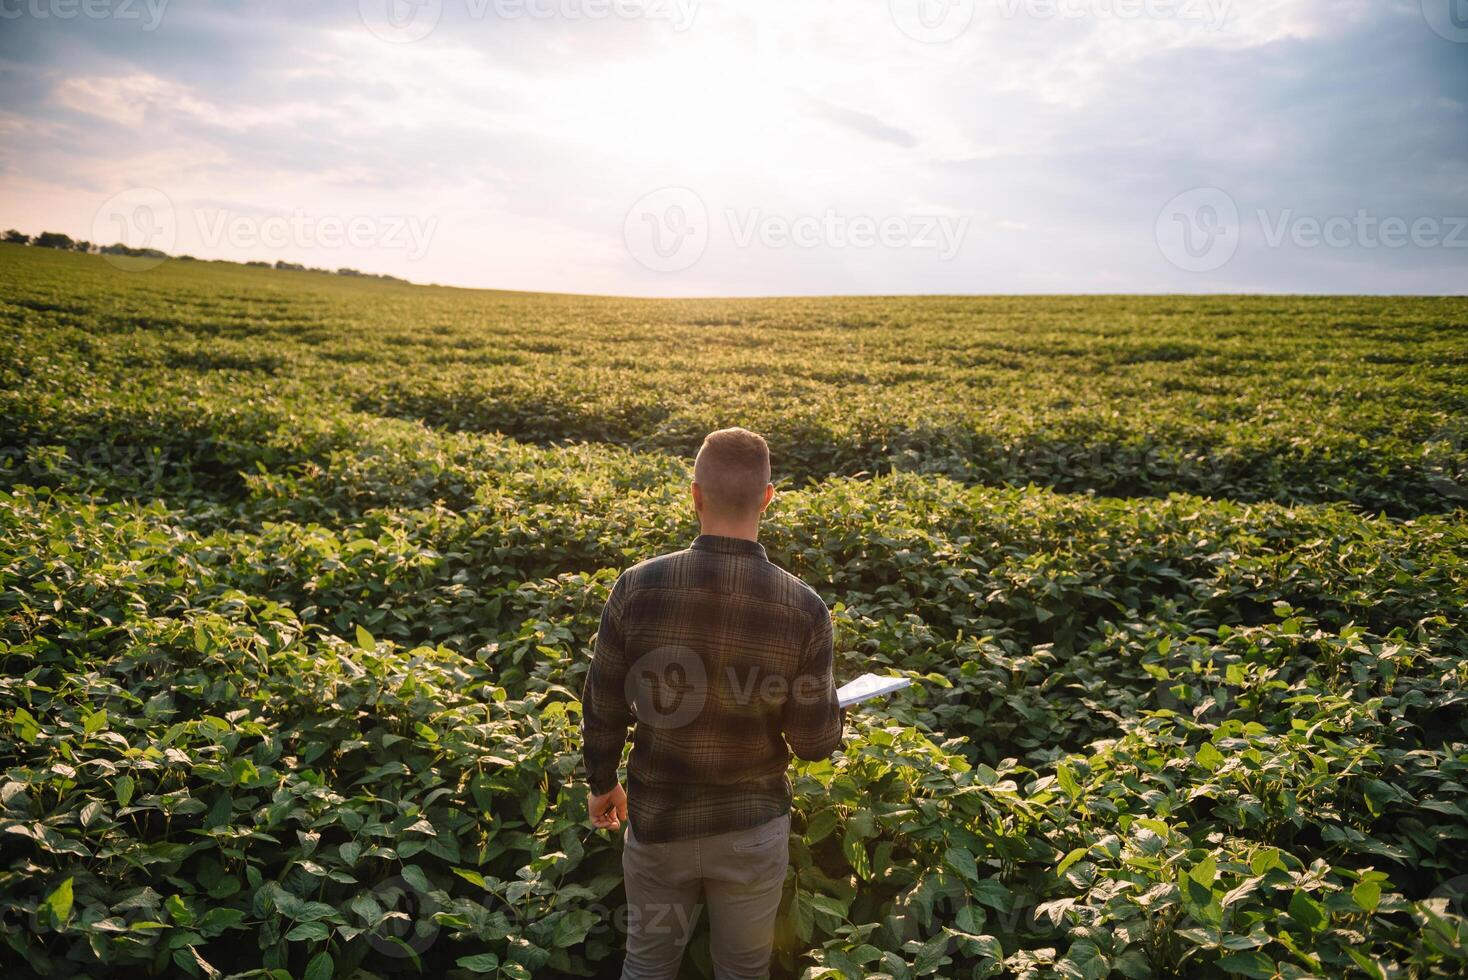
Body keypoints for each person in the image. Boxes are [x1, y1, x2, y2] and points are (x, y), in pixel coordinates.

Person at [580, 426, 846, 980]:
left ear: (695, 494)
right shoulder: (803, 607)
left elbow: (602, 699)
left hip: (658, 821)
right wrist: (832, 709)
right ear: (767, 498)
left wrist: (602, 782)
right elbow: (815, 744)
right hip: (751, 829)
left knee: (648, 965)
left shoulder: (638, 587)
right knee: (744, 970)